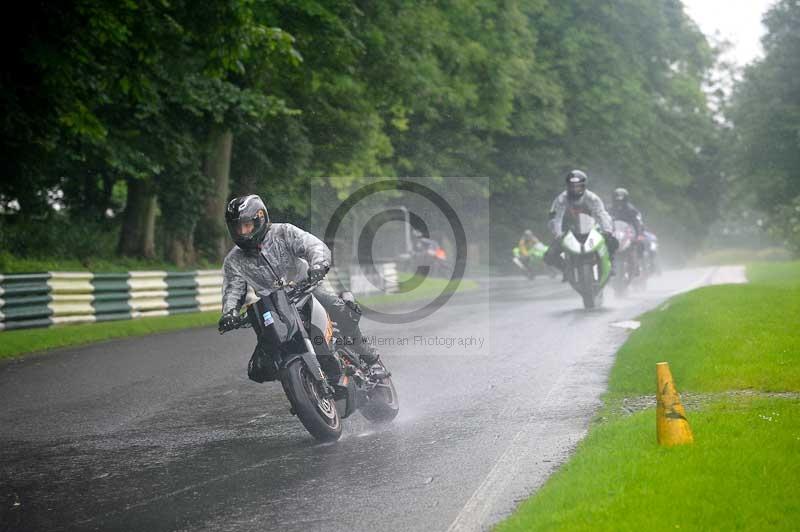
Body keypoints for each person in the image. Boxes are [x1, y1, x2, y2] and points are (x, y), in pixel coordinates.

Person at [217, 194, 380, 367]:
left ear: (260, 219)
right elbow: (233, 290)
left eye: (247, 226)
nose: (242, 232)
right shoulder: (233, 260)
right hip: (275, 305)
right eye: (237, 228)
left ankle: (368, 355)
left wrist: (318, 266)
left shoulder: (283, 232)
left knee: (338, 308)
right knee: (265, 359)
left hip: (308, 286)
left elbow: (313, 246)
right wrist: (230, 313)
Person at [543, 170, 618, 276]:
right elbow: (556, 218)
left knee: (612, 242)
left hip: (591, 228)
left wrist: (607, 230)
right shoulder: (561, 199)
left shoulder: (592, 198)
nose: (575, 189)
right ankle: (566, 269)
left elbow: (601, 214)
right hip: (567, 230)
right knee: (549, 256)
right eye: (572, 186)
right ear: (567, 186)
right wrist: (558, 234)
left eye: (578, 186)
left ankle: (611, 264)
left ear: (584, 186)